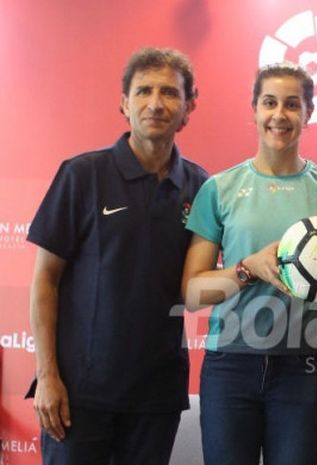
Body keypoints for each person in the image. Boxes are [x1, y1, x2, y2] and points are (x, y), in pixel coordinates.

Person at [181, 62, 317, 465]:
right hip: (230, 366)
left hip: (303, 369)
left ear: (309, 113)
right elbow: (193, 293)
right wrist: (247, 268)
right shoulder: (219, 189)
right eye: (269, 102)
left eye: (292, 104)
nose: (279, 115)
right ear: (254, 109)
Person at [27, 47, 208, 465]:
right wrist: (47, 376)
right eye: (143, 91)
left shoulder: (201, 187)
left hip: (156, 396)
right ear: (124, 103)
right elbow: (45, 280)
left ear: (188, 106)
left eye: (169, 93)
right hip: (79, 394)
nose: (156, 104)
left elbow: (201, 282)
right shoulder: (82, 174)